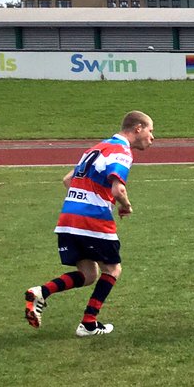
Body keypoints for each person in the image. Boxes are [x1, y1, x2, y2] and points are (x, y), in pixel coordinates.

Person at [24, 111, 155, 337]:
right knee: (113, 269)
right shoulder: (121, 151)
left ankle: (41, 292)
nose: (152, 137)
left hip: (68, 219)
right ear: (138, 129)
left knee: (88, 274)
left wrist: (86, 197)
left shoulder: (96, 148)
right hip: (92, 220)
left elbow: (67, 180)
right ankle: (89, 323)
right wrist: (125, 205)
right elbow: (118, 189)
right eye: (150, 131)